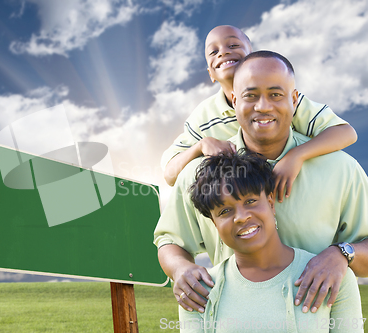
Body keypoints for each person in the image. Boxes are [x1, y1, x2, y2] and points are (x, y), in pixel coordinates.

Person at [154, 51, 368, 320]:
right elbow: (169, 240)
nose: (263, 106)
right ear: (234, 100)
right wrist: (180, 269)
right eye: (250, 96)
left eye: (276, 95)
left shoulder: (341, 169)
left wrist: (341, 254)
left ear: (294, 99)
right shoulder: (200, 174)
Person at [162, 25, 357, 206]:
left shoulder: (284, 102)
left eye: (233, 45)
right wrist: (200, 146)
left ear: (252, 57)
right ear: (211, 74)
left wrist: (296, 155)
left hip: (297, 195)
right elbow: (170, 174)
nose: (223, 52)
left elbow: (346, 133)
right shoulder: (204, 116)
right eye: (214, 51)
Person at [176, 151, 363, 333]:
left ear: (271, 204)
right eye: (224, 211)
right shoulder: (197, 290)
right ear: (214, 224)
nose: (241, 217)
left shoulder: (332, 275)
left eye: (250, 201)